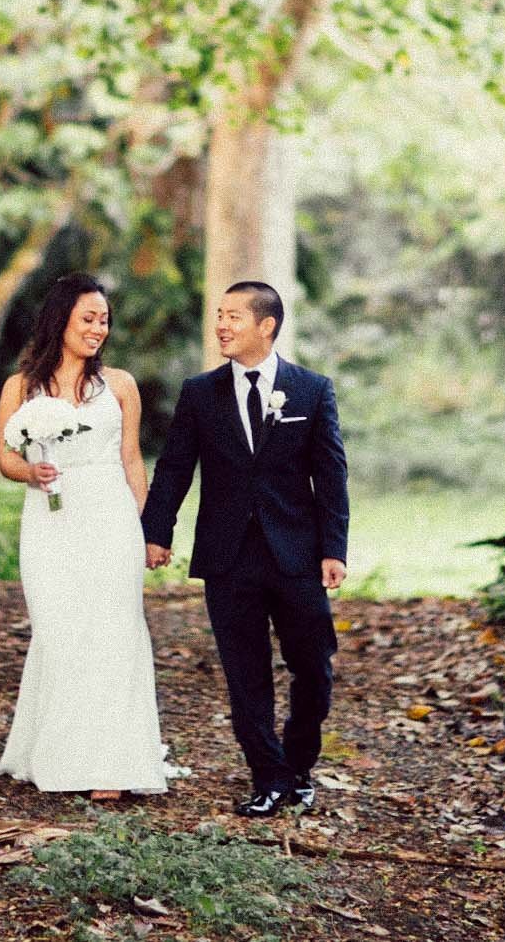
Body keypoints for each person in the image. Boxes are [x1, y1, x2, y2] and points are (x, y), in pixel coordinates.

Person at [140, 281, 350, 818]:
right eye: (218, 315)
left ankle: (299, 765)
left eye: (233, 316)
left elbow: (330, 476)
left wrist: (334, 548)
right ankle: (267, 774)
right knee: (245, 673)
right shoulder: (199, 393)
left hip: (297, 555)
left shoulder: (311, 390)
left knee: (314, 666)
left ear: (267, 326)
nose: (222, 326)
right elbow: (174, 467)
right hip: (228, 556)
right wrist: (156, 532)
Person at [0, 273, 171, 799]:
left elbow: (133, 460)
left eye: (104, 320)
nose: (99, 329)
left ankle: (112, 766)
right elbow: (6, 455)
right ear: (61, 320)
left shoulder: (120, 385)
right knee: (61, 630)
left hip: (109, 516)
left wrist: (149, 530)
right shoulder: (21, 387)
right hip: (50, 520)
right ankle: (60, 752)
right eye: (88, 318)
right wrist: (31, 472)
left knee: (114, 630)